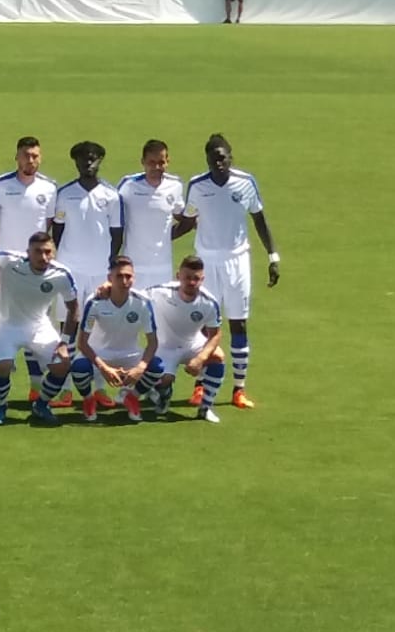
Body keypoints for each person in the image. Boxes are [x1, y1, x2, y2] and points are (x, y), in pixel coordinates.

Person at [173, 134, 279, 410]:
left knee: (238, 322)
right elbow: (188, 221)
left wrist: (273, 255)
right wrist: (159, 239)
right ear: (207, 159)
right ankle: (200, 386)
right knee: (203, 324)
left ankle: (239, 389)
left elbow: (259, 219)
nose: (218, 162)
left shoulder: (246, 182)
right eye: (213, 158)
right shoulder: (197, 185)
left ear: (231, 157)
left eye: (222, 157)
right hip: (207, 262)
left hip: (237, 261)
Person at [51, 140, 123, 408]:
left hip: (99, 272)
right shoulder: (65, 193)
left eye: (92, 158)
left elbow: (117, 234)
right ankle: (64, 388)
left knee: (99, 329)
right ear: (76, 162)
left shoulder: (111, 195)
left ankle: (100, 387)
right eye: (83, 159)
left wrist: (108, 267)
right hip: (70, 271)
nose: (88, 163)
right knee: (67, 327)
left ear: (100, 160)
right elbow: (57, 231)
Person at [0, 232, 78, 427]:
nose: (43, 257)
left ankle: (41, 405)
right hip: (6, 324)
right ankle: (0, 406)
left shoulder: (62, 274)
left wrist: (64, 342)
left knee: (62, 365)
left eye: (48, 252)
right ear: (28, 252)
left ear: (53, 252)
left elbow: (73, 309)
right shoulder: (10, 260)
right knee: (3, 366)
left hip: (39, 326)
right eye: (38, 251)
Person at [0, 137, 58, 395]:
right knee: (3, 320)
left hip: (38, 268)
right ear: (17, 157)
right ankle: (3, 368)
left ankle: (35, 383)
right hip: (7, 268)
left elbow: (49, 225)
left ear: (40, 158)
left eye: (34, 156)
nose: (30, 160)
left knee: (35, 322)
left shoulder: (50, 188)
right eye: (25, 155)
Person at [75, 256, 158, 424]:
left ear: (134, 278)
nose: (124, 281)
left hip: (130, 354)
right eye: (119, 276)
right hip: (100, 354)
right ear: (109, 278)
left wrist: (140, 367)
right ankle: (89, 399)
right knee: (79, 368)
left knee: (157, 367)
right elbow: (82, 343)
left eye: (128, 276)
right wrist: (104, 368)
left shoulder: (143, 303)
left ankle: (132, 397)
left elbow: (153, 342)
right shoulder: (95, 302)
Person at [146, 256, 226, 423]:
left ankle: (205, 407)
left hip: (192, 344)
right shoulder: (160, 291)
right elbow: (133, 296)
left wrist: (201, 358)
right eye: (187, 277)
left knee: (218, 356)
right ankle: (163, 393)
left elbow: (216, 334)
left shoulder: (209, 302)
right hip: (165, 347)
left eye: (196, 278)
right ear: (178, 276)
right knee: (163, 378)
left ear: (202, 279)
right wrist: (109, 288)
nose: (191, 282)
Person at [116, 138, 184, 289]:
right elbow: (112, 215)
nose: (156, 167)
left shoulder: (175, 186)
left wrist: (166, 235)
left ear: (168, 161)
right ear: (143, 162)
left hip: (162, 267)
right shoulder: (128, 185)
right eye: (151, 162)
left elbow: (183, 217)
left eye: (161, 162)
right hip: (132, 266)